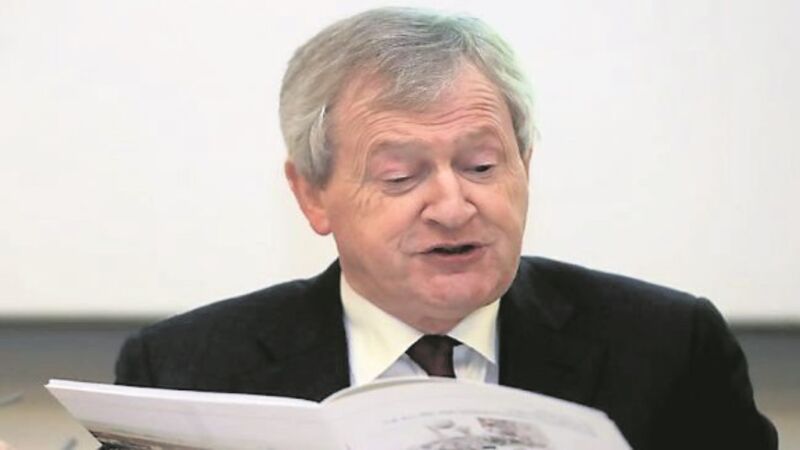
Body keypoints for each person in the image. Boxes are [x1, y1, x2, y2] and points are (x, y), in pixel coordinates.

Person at [114, 7, 777, 449]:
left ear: (525, 166)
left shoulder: (668, 349)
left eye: (482, 166)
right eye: (400, 176)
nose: (453, 207)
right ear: (312, 194)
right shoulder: (183, 373)